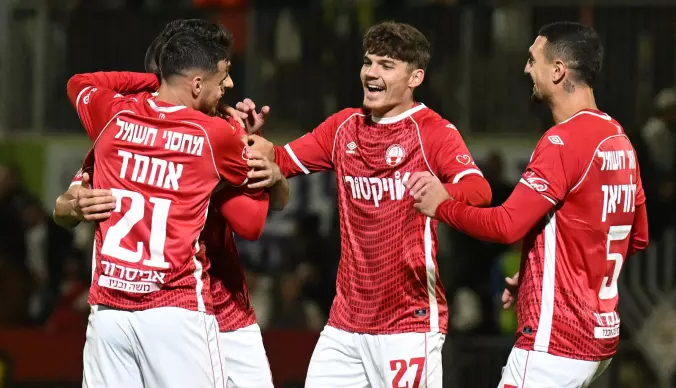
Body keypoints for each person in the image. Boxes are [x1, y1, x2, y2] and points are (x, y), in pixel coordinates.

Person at [244, 21, 492, 387]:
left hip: (408, 322)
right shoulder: (343, 127)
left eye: (386, 66)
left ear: (415, 77)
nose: (372, 73)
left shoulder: (433, 132)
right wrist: (254, 138)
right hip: (345, 323)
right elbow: (281, 161)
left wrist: (445, 195)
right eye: (368, 63)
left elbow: (479, 190)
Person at [407, 22, 649, 387]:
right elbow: (637, 236)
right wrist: (547, 272)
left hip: (556, 343)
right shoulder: (619, 140)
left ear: (557, 71)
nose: (526, 69)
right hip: (599, 340)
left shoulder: (563, 141)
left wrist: (443, 205)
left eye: (533, 60)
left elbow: (506, 225)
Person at [56, 20, 285, 388]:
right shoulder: (215, 135)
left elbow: (78, 83)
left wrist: (161, 83)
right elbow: (253, 222)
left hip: (109, 308)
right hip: (176, 309)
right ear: (195, 82)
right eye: (222, 76)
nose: (228, 86)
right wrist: (245, 138)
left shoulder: (112, 118)